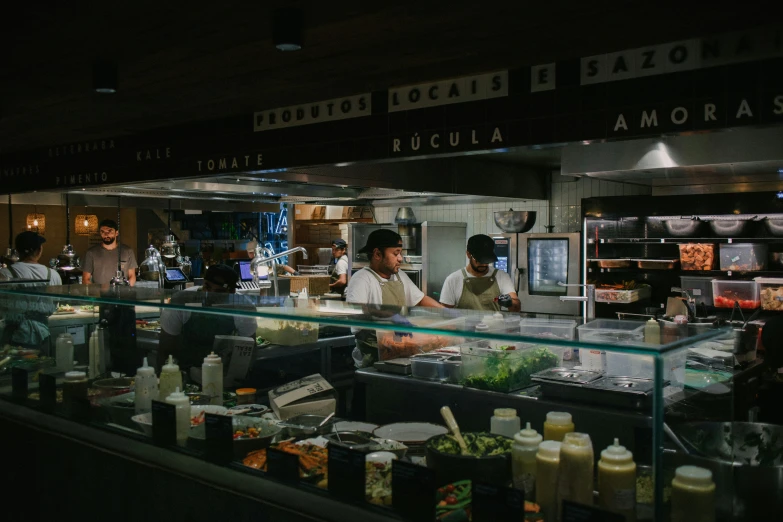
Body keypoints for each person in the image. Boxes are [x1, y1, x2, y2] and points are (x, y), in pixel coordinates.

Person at [345, 229, 442, 367]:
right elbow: (358, 310)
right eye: (395, 253)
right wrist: (391, 316)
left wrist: (449, 313)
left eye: (400, 253)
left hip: (401, 352)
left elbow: (420, 299)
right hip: (373, 359)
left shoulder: (400, 276)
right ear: (377, 254)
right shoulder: (361, 279)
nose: (400, 258)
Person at [158, 264, 257, 372]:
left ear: (232, 292)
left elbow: (249, 350)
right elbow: (165, 349)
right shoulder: (181, 301)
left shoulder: (242, 307)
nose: (210, 295)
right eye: (207, 287)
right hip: (185, 370)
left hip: (223, 371)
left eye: (219, 292)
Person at [0, 232, 62, 350]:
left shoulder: (5, 274)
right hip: (43, 334)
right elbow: (55, 305)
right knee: (41, 366)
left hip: (14, 337)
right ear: (39, 250)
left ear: (17, 251)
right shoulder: (53, 275)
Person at [439, 234, 520, 312]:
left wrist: (510, 302)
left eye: (486, 260)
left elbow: (516, 307)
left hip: (493, 325)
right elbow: (445, 314)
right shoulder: (453, 280)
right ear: (468, 254)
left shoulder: (502, 277)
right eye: (479, 260)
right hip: (463, 326)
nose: (484, 264)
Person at [82, 219, 138, 286]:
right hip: (99, 295)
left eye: (109, 231)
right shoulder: (91, 253)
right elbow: (85, 279)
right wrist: (98, 291)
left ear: (116, 233)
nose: (106, 235)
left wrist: (125, 290)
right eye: (103, 232)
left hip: (122, 293)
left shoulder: (127, 251)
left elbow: (132, 276)